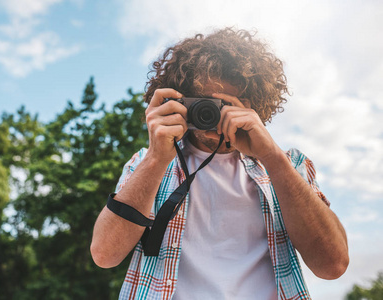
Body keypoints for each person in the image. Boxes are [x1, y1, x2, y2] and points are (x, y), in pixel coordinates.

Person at [90, 27, 349, 299]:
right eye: (205, 103)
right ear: (180, 100)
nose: (214, 115)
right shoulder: (147, 162)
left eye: (228, 105)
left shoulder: (290, 165)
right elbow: (105, 254)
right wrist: (157, 158)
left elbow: (333, 266)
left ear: (255, 106)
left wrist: (272, 156)